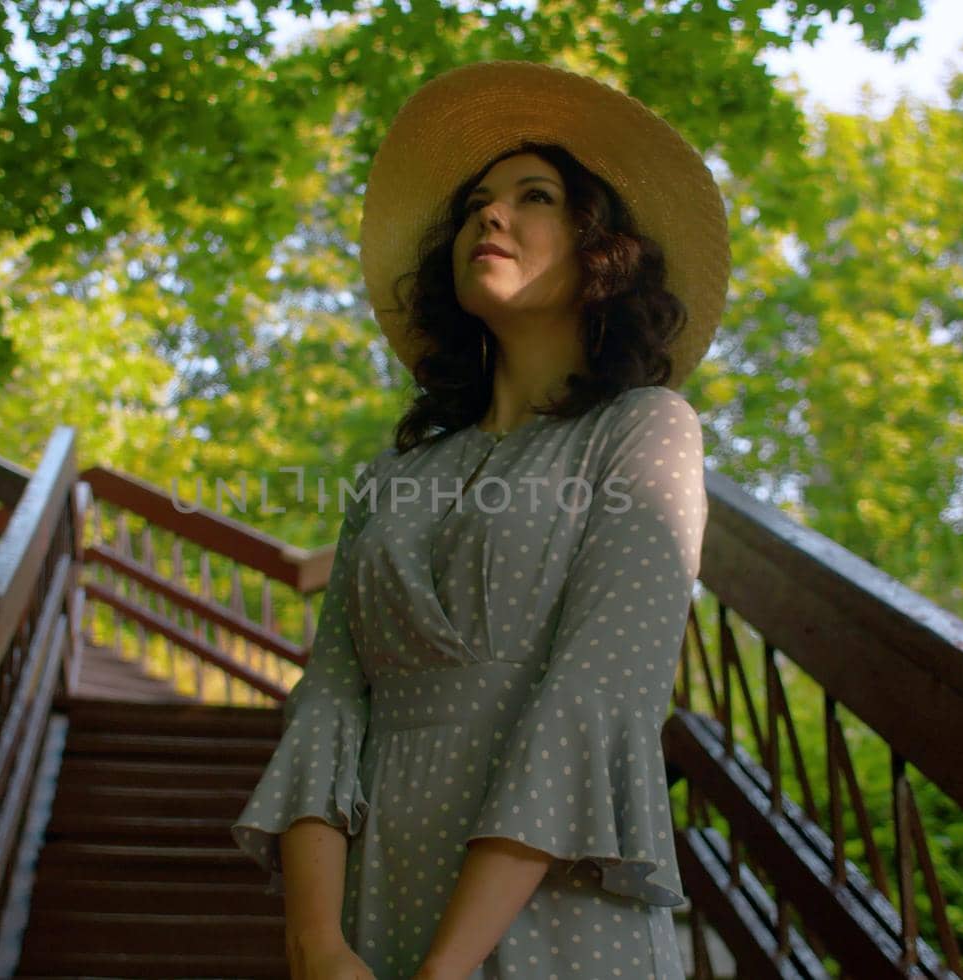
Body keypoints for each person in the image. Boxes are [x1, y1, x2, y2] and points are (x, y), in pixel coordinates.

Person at [231, 60, 729, 980]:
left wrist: (444, 969)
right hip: (367, 907)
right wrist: (316, 944)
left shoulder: (644, 431)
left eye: (533, 197)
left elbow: (599, 697)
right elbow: (331, 698)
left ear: (601, 253)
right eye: (474, 205)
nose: (489, 217)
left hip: (556, 921)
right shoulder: (389, 478)